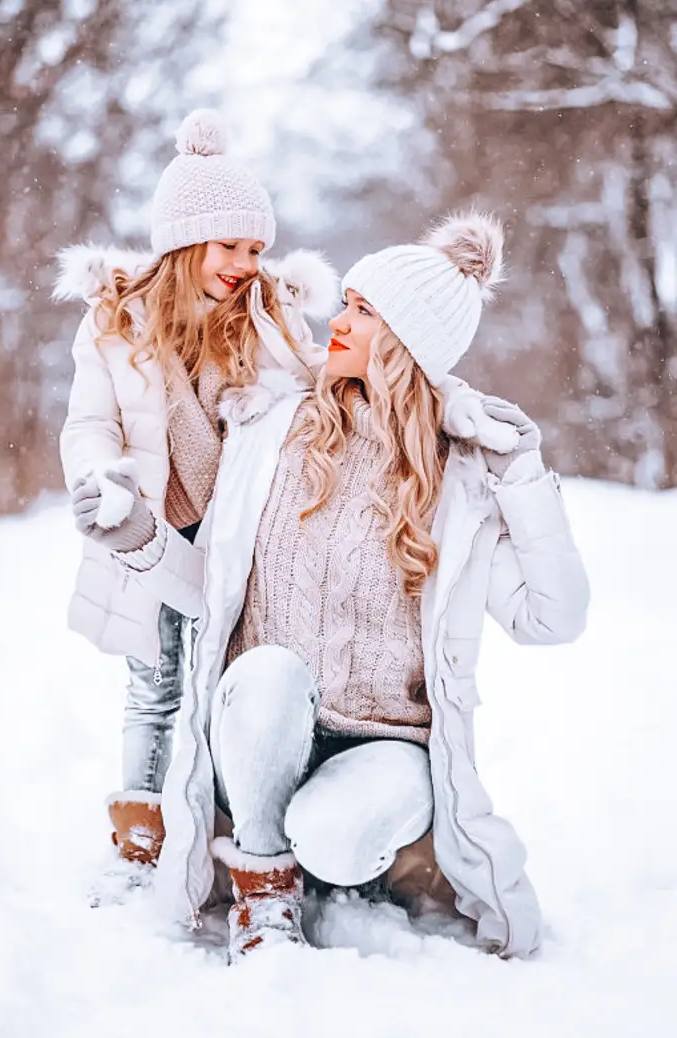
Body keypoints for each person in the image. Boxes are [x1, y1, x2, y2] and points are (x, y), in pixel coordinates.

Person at [72, 212, 589, 960]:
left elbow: (555, 618)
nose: (336, 323)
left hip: (385, 746)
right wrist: (137, 538)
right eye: (345, 302)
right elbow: (206, 595)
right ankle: (263, 884)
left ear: (408, 340)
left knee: (334, 836)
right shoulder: (270, 431)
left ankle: (336, 851)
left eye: (362, 311)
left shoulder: (460, 477)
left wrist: (525, 477)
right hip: (259, 727)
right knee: (272, 670)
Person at [54, 108, 335, 874]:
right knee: (154, 684)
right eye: (231, 245)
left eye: (256, 248)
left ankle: (230, 824)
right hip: (151, 528)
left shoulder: (269, 315)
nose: (246, 262)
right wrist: (101, 479)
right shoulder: (115, 323)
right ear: (184, 241)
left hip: (239, 536)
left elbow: (317, 389)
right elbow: (90, 422)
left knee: (229, 684)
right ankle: (140, 839)